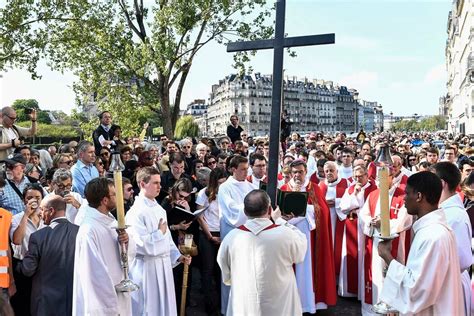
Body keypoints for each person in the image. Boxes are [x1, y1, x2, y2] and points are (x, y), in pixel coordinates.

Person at [377, 172, 463, 315]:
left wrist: (387, 257)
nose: (404, 198)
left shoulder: (433, 236)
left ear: (418, 196)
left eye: (407, 193)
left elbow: (418, 289)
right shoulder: (433, 230)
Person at [217, 189, 307, 316]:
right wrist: (280, 220)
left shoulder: (231, 237)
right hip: (279, 303)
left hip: (245, 301)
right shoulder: (286, 234)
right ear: (269, 210)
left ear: (244, 211)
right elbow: (300, 251)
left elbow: (224, 267)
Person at [126, 167, 191, 316]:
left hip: (163, 265)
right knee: (149, 308)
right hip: (147, 268)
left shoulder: (159, 209)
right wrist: (159, 233)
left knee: (165, 307)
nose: (159, 187)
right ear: (142, 184)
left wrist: (177, 255)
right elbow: (140, 244)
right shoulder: (135, 212)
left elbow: (167, 238)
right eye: (155, 183)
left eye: (160, 182)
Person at [280, 160, 337, 312]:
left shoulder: (314, 188)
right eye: (295, 172)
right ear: (291, 173)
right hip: (290, 237)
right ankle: (292, 303)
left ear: (306, 172)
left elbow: (323, 211)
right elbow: (279, 213)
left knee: (307, 269)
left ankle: (310, 303)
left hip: (310, 238)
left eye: (301, 172)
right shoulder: (285, 188)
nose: (298, 175)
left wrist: (306, 209)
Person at [72, 177, 134, 315]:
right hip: (103, 301)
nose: (118, 197)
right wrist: (110, 305)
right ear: (104, 200)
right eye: (114, 194)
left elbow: (124, 256)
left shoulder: (110, 220)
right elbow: (94, 274)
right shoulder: (89, 229)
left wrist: (126, 241)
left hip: (118, 291)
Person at [359, 166, 413, 315]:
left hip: (394, 245)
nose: (379, 181)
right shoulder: (373, 195)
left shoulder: (402, 196)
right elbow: (363, 215)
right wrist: (371, 221)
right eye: (377, 177)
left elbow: (405, 220)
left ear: (392, 176)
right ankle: (372, 311)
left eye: (383, 177)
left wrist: (384, 225)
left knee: (392, 275)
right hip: (374, 243)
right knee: (375, 275)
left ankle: (392, 309)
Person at [19, 195, 79, 316]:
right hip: (74, 301)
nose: (40, 213)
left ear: (51, 211)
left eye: (42, 209)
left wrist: (17, 265)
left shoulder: (38, 237)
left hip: (45, 304)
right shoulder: (80, 232)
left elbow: (27, 269)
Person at [432, 161, 472, 315]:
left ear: (441, 184)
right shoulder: (444, 210)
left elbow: (462, 260)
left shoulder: (455, 215)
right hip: (444, 284)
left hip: (451, 286)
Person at [217, 155, 255, 313]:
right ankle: (228, 310)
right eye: (242, 169)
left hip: (250, 236)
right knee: (230, 274)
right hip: (232, 235)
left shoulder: (251, 187)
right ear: (232, 169)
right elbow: (233, 213)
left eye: (247, 169)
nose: (246, 172)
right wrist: (253, 209)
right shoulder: (225, 188)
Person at [338, 165, 377, 298]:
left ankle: (362, 291)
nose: (358, 179)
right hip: (351, 225)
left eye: (361, 176)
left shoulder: (374, 189)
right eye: (356, 176)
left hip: (365, 227)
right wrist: (354, 194)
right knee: (353, 258)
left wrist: (358, 210)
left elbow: (372, 209)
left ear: (367, 175)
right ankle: (349, 292)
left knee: (364, 257)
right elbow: (343, 207)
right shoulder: (351, 188)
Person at [9, 183, 45, 316]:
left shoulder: (46, 218)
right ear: (24, 200)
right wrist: (26, 215)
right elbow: (17, 240)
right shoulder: (16, 219)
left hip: (43, 268)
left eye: (37, 197)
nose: (34, 200)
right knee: (24, 305)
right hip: (23, 268)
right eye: (30, 197)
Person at [196, 168, 228, 315]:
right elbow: (200, 216)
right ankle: (209, 305)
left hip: (223, 233)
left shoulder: (227, 193)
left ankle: (222, 303)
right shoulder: (204, 194)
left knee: (221, 270)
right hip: (208, 234)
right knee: (208, 270)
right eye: (220, 183)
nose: (222, 185)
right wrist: (209, 236)